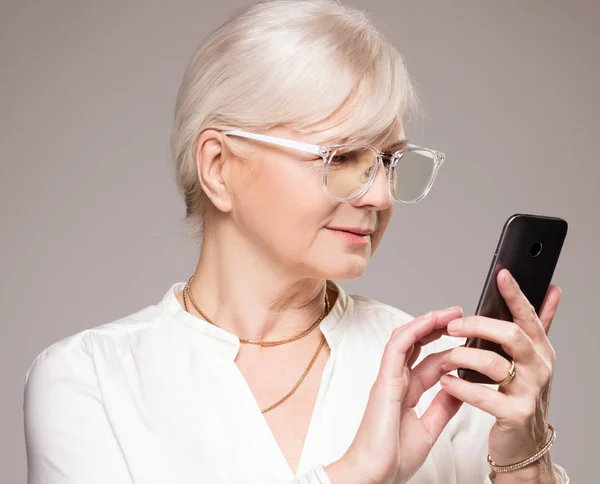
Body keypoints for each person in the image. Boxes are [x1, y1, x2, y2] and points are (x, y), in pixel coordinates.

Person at [23, 1, 570, 483]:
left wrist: (526, 459)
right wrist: (350, 476)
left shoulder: (438, 372)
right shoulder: (89, 380)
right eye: (343, 157)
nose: (380, 195)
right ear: (219, 167)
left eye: (390, 162)